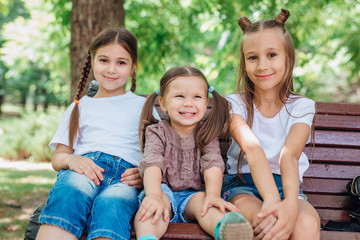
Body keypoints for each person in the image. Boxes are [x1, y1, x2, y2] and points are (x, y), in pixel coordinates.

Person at [36, 27, 154, 240]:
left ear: (133, 67)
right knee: (70, 192)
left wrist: (145, 174)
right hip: (84, 171)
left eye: (121, 62)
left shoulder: (144, 106)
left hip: (125, 180)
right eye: (103, 60)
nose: (111, 69)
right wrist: (72, 160)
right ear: (92, 61)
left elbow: (160, 151)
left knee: (112, 204)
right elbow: (58, 158)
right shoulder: (79, 107)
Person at [222, 9, 321, 240]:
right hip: (242, 186)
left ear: (289, 57)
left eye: (272, 55)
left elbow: (289, 156)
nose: (262, 65)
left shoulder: (302, 106)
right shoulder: (234, 104)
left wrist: (289, 203)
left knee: (305, 224)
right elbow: (253, 150)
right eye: (253, 57)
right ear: (244, 61)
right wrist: (273, 202)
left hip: (287, 187)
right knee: (266, 221)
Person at [134, 66, 254, 240]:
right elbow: (153, 163)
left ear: (206, 103)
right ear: (163, 103)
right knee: (153, 210)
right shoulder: (157, 132)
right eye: (179, 96)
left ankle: (229, 230)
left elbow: (212, 164)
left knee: (206, 205)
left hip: (192, 196)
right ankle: (147, 237)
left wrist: (213, 195)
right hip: (161, 190)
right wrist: (153, 195)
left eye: (197, 97)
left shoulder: (206, 134)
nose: (188, 103)